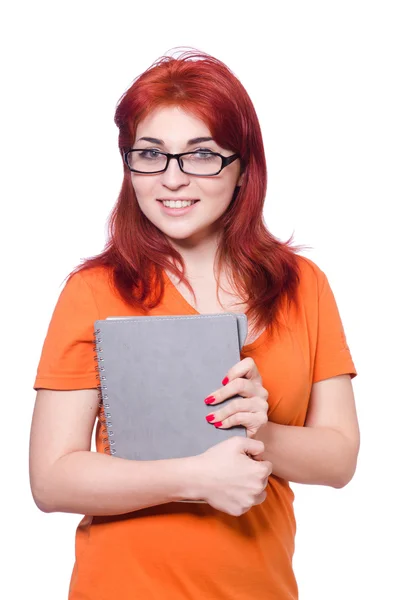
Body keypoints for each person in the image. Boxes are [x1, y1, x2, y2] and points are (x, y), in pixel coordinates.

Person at [29, 48, 360, 600]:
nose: (172, 179)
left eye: (202, 155)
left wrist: (259, 432)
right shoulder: (94, 291)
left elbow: (340, 457)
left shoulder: (305, 286)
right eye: (151, 155)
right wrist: (194, 478)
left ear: (243, 168)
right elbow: (52, 477)